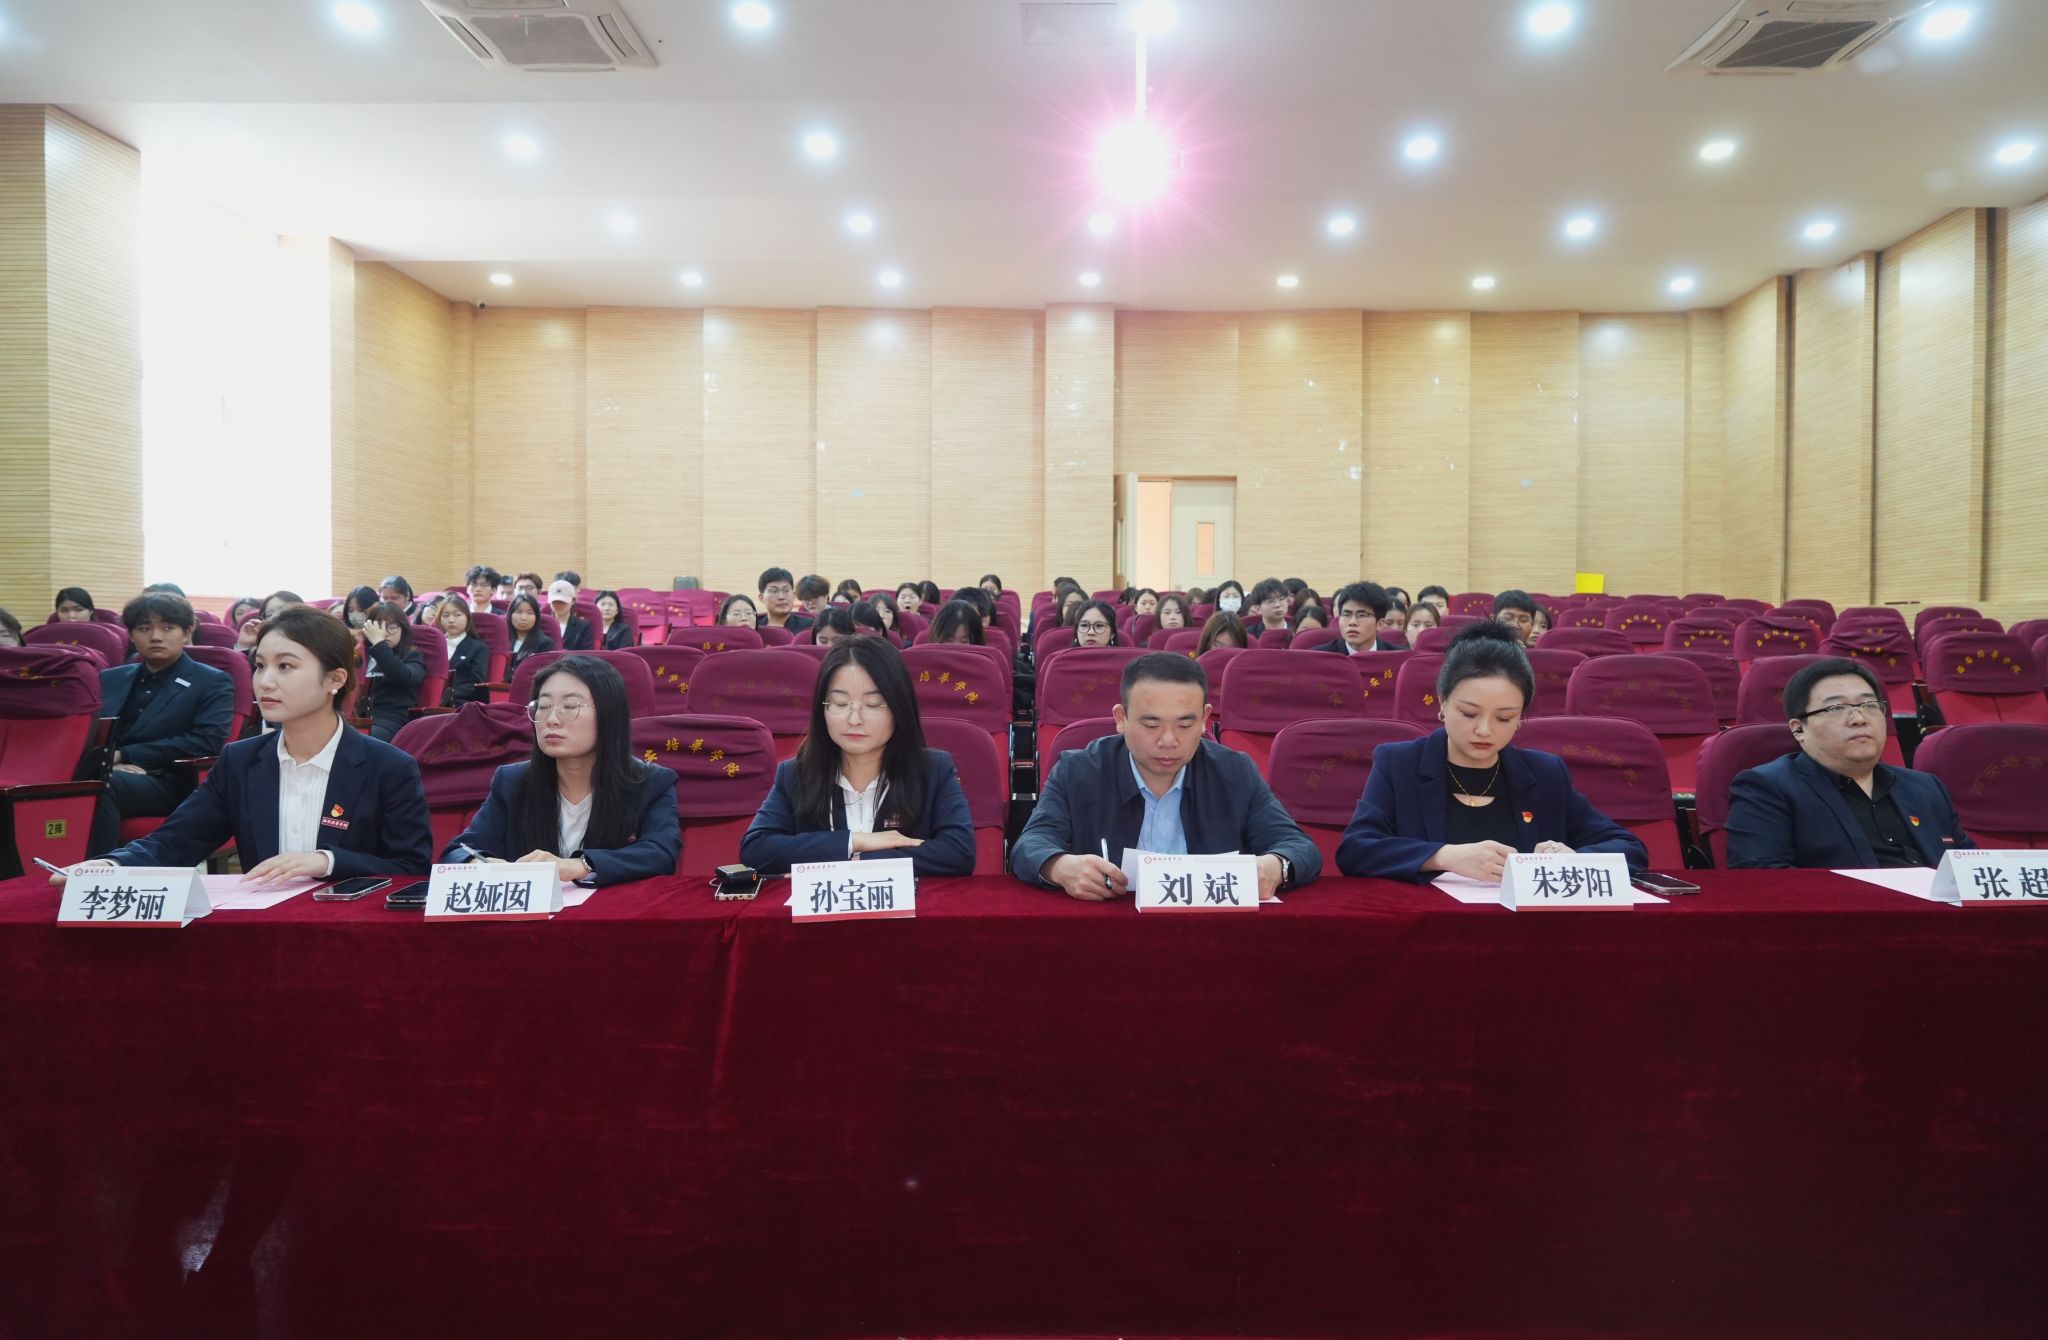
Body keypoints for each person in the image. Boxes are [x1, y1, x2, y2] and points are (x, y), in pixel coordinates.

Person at [55, 605, 433, 885]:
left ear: (334, 679)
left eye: (285, 666)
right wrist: (111, 866)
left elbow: (411, 866)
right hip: (263, 933)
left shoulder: (388, 766)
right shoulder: (240, 761)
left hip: (352, 936)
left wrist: (327, 862)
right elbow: (177, 840)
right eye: (260, 665)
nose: (265, 682)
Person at [1337, 623, 1647, 881]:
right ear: (1442, 702)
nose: (1485, 730)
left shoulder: (1544, 773)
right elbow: (1355, 850)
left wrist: (1574, 859)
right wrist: (1443, 856)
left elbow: (1629, 848)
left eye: (1504, 718)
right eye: (1469, 714)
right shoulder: (1399, 763)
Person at [1012, 653, 1320, 900]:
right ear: (1121, 718)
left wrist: (1275, 867)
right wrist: (1060, 866)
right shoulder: (1078, 771)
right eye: (1151, 725)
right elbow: (1031, 844)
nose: (1168, 740)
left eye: (1185, 725)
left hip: (1209, 932)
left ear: (1205, 719)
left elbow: (1297, 846)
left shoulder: (1235, 772)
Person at [740, 636, 974, 877]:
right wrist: (854, 842)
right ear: (823, 709)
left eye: (873, 704)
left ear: (899, 708)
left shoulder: (933, 770)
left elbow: (958, 853)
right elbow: (756, 850)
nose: (854, 719)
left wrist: (854, 861)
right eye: (840, 703)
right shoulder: (796, 774)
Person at [444, 656, 680, 886]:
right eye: (543, 706)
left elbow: (661, 853)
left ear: (609, 715)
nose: (552, 719)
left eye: (570, 707)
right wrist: (478, 864)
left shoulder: (651, 782)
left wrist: (580, 866)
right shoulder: (512, 782)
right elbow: (459, 851)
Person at [1725, 658, 1970, 869]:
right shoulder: (1767, 789)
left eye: (1870, 705)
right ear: (1798, 729)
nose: (1859, 719)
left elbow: (1972, 870)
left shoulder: (1926, 787)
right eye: (1836, 708)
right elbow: (1764, 881)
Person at [85, 592, 236, 857]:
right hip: (112, 771)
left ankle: (102, 872)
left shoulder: (212, 681)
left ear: (187, 631)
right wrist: (109, 763)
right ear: (131, 635)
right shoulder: (110, 678)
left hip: (173, 779)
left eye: (167, 628)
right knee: (71, 785)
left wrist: (124, 755)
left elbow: (206, 741)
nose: (155, 637)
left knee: (103, 786)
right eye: (144, 629)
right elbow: (92, 733)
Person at [359, 602, 425, 742]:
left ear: (403, 629)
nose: (384, 633)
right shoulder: (360, 653)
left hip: (390, 719)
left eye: (392, 627)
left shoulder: (411, 655)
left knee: (363, 739)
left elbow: (405, 677)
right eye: (379, 628)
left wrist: (379, 645)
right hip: (357, 716)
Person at [1317, 582, 1400, 655]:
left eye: (1362, 615)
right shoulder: (1320, 657)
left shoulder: (1397, 658)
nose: (1352, 622)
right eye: (1346, 614)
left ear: (1380, 624)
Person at [438, 599, 489, 706]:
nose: (451, 620)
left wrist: (448, 695)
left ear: (467, 617)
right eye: (445, 615)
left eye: (457, 615)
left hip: (459, 703)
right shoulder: (434, 645)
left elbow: (475, 684)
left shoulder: (478, 648)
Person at [505, 593, 554, 674]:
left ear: (536, 617)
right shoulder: (502, 639)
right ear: (510, 615)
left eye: (530, 613)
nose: (523, 618)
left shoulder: (545, 644)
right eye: (518, 612)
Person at [757, 567, 814, 633]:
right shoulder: (754, 626)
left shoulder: (810, 627)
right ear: (761, 598)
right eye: (774, 591)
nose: (781, 597)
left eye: (786, 590)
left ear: (793, 595)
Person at [550, 580, 594, 651]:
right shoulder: (542, 624)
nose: (559, 605)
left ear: (573, 601)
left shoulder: (583, 626)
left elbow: (586, 653)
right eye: (555, 601)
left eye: (563, 601)